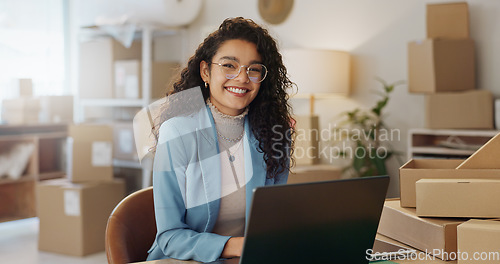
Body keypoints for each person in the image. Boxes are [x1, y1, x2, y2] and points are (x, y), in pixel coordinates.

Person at [146, 17, 295, 263]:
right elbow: (170, 236)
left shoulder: (275, 134)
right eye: (229, 65)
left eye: (254, 69)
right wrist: (236, 246)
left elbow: (271, 222)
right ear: (206, 71)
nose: (242, 78)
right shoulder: (177, 132)